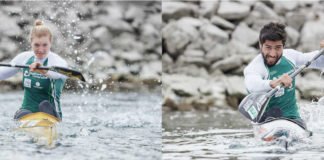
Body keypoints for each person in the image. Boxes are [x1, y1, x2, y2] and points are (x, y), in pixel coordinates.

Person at [244, 22, 324, 129]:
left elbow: (319, 62)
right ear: (260, 45)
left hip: (294, 120)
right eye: (268, 47)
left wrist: (322, 52)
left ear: (284, 46)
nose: (272, 53)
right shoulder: (255, 67)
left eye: (278, 48)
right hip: (266, 123)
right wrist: (273, 83)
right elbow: (252, 85)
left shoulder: (290, 56)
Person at [0, 19, 68, 120]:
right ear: (31, 42)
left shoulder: (57, 62)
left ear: (50, 43)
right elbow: (2, 74)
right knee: (21, 114)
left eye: (45, 45)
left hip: (49, 113)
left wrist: (42, 70)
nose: (40, 49)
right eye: (36, 45)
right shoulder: (24, 58)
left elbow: (58, 74)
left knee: (44, 105)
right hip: (27, 113)